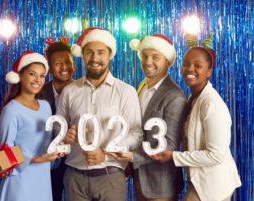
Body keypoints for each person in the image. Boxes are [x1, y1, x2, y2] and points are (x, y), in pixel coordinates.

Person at [56, 27, 143, 201]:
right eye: (89, 52)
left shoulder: (126, 91)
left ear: (110, 55)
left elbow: (136, 134)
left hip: (110, 176)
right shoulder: (70, 91)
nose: (95, 58)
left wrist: (105, 152)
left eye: (101, 52)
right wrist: (64, 136)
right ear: (83, 55)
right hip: (74, 176)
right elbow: (57, 128)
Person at [154, 46, 242, 201]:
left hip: (213, 186)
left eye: (197, 65)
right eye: (186, 64)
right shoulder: (193, 98)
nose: (190, 69)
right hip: (198, 181)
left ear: (209, 72)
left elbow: (216, 155)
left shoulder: (211, 104)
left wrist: (174, 156)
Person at [110, 34, 187, 201]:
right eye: (145, 56)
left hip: (161, 184)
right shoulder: (142, 86)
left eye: (155, 57)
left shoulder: (174, 96)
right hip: (140, 178)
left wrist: (132, 156)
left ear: (167, 61)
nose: (147, 62)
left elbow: (170, 145)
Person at [0, 50, 63, 201]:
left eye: (42, 76)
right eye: (32, 74)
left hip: (43, 179)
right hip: (20, 182)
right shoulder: (12, 110)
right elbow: (4, 155)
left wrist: (57, 152)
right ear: (20, 76)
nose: (37, 80)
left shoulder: (46, 106)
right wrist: (37, 159)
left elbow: (47, 142)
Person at [38, 36, 75, 201]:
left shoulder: (84, 90)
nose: (64, 67)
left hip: (77, 162)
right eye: (58, 64)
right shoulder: (38, 93)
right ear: (50, 68)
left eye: (67, 62)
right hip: (48, 162)